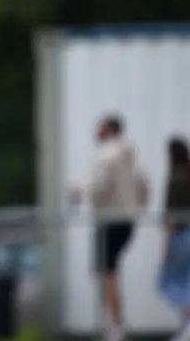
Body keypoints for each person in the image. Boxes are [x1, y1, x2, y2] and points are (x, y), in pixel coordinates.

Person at [71, 115, 149, 341]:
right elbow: (144, 184)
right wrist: (138, 208)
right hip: (127, 219)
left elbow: (99, 187)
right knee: (110, 271)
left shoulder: (107, 155)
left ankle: (114, 325)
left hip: (110, 219)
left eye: (100, 128)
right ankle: (114, 322)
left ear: (108, 130)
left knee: (106, 271)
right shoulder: (131, 156)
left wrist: (78, 190)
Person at [159, 137, 190, 341]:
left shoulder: (175, 177)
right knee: (185, 280)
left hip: (181, 233)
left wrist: (167, 240)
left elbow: (170, 212)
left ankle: (187, 319)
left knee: (165, 280)